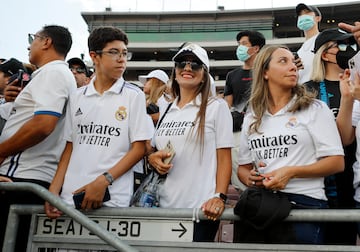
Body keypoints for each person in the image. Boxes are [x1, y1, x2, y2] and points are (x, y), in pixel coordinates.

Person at [235, 45, 344, 244]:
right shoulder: (252, 116)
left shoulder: (315, 108)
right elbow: (243, 168)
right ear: (265, 72)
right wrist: (251, 180)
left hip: (304, 204)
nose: (293, 67)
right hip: (262, 205)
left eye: (293, 62)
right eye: (283, 61)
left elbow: (337, 162)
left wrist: (290, 172)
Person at [45, 26, 152, 219]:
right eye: (114, 52)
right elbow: (70, 147)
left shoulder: (133, 95)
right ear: (94, 56)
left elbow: (139, 149)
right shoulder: (77, 97)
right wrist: (53, 190)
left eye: (125, 53)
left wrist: (103, 181)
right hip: (70, 197)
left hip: (111, 198)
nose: (121, 59)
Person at [0, 25, 76, 251]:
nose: (29, 44)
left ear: (47, 42)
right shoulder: (49, 74)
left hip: (23, 177)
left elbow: (43, 124)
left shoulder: (54, 72)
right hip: (25, 176)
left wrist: (1, 152)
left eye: (33, 38)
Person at [147, 43, 233, 242]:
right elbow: (153, 150)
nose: (187, 68)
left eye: (195, 65)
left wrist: (219, 196)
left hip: (200, 209)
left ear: (204, 74)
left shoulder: (216, 107)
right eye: (181, 63)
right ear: (174, 71)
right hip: (162, 206)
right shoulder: (167, 109)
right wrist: (153, 158)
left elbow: (224, 157)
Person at [304, 28, 359, 245]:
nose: (349, 50)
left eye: (351, 45)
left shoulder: (357, 85)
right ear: (325, 54)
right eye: (341, 45)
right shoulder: (307, 91)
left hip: (353, 180)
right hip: (322, 181)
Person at [224, 30, 265, 190]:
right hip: (238, 133)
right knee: (241, 173)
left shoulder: (266, 72)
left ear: (255, 48)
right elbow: (227, 105)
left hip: (263, 129)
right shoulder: (232, 75)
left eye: (244, 44)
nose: (239, 48)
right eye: (239, 44)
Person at [295, 3, 322, 84]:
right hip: (304, 93)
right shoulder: (300, 51)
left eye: (307, 13)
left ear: (318, 18)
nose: (303, 16)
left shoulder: (323, 40)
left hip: (321, 91)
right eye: (300, 14)